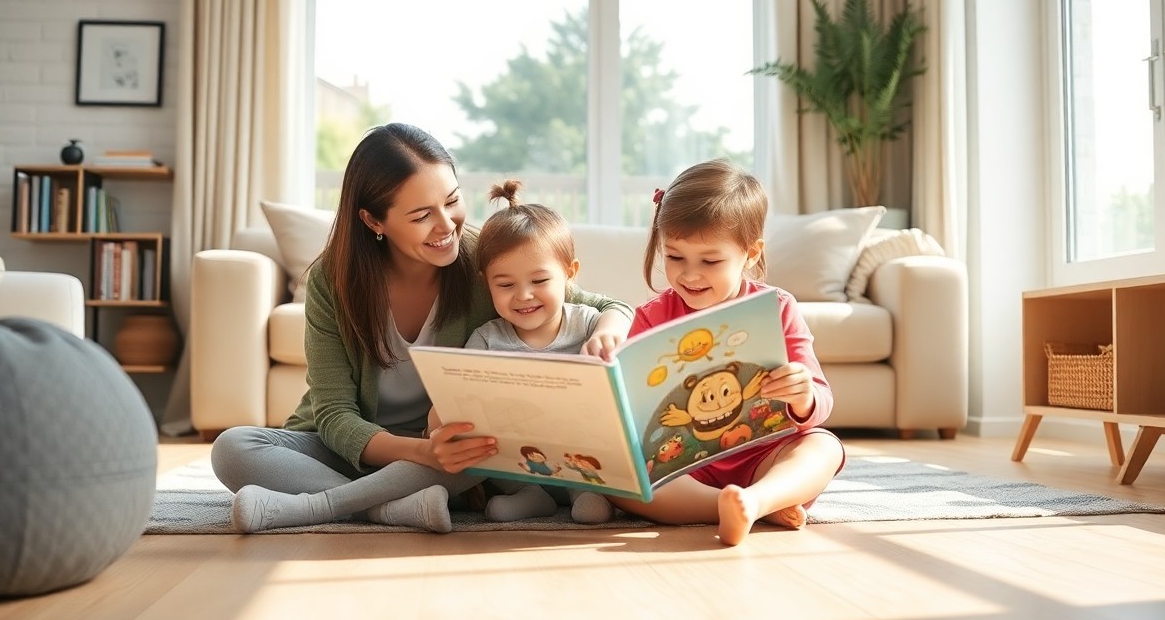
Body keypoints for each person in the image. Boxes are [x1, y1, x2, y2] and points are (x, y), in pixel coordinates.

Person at [210, 123, 632, 533]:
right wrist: (421, 452)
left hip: (454, 456)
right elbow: (335, 415)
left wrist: (606, 332)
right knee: (233, 450)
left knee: (480, 451)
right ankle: (390, 509)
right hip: (371, 449)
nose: (447, 225)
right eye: (421, 215)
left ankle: (327, 505)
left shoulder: (485, 262)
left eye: (451, 201)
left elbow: (604, 305)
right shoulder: (333, 281)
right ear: (374, 221)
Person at [608, 159, 845, 546]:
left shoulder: (778, 307)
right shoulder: (650, 317)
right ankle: (743, 506)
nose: (690, 275)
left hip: (761, 459)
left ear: (751, 254)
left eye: (710, 261)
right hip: (680, 468)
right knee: (620, 480)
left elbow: (819, 397)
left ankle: (757, 498)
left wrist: (803, 396)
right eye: (675, 257)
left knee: (824, 446)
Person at [432, 180, 615, 524]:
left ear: (569, 274)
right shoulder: (486, 340)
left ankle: (585, 492)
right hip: (517, 461)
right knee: (490, 455)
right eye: (505, 285)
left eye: (540, 281)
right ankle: (530, 496)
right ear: (487, 284)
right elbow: (456, 398)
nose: (524, 296)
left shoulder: (589, 324)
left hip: (582, 455)